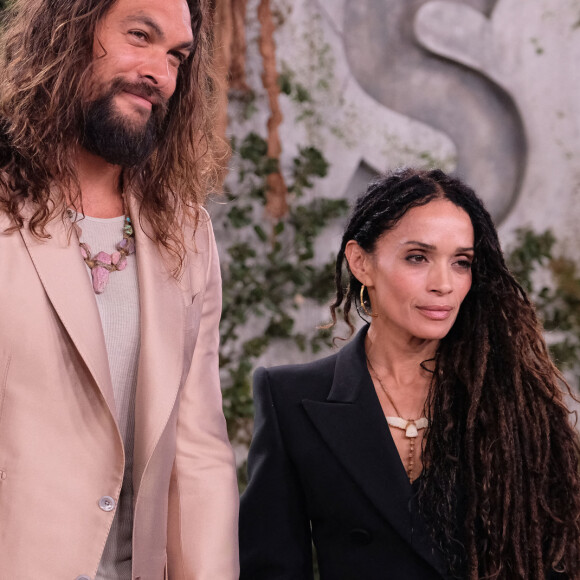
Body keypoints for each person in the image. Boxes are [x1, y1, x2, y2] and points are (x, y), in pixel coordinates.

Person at [239, 168, 580, 580]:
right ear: (361, 262)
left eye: (461, 262)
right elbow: (271, 569)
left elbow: (555, 560)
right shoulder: (289, 397)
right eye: (418, 257)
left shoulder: (513, 401)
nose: (444, 284)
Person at [0, 0, 239, 578]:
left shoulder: (185, 232)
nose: (160, 72)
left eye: (177, 57)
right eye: (140, 35)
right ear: (68, 34)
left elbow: (198, 454)